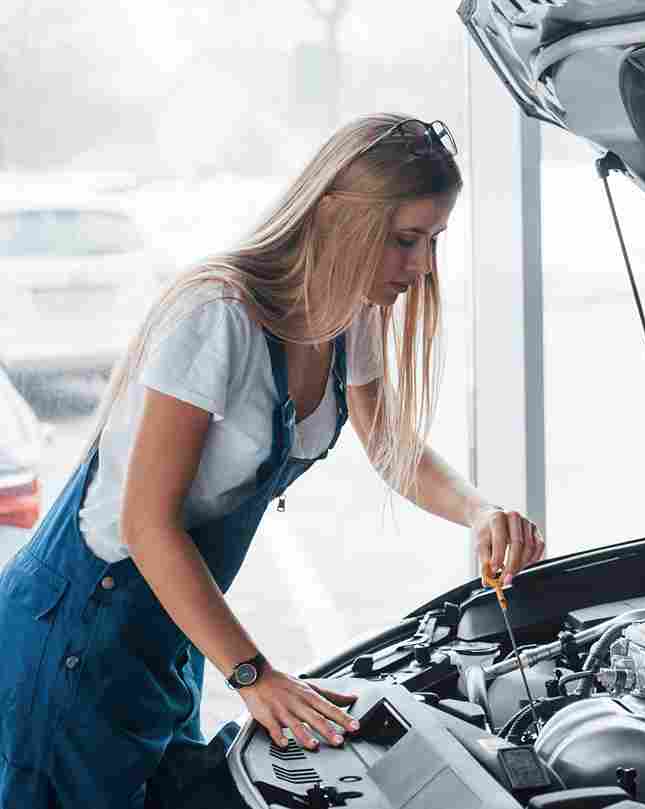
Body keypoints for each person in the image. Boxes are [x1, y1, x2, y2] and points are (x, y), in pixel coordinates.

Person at [0, 114, 546, 808]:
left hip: (170, 632)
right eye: (406, 240)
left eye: (433, 242)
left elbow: (390, 445)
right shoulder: (217, 316)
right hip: (74, 630)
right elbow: (146, 524)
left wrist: (480, 511)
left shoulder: (353, 310)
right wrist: (256, 673)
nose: (424, 267)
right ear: (334, 218)